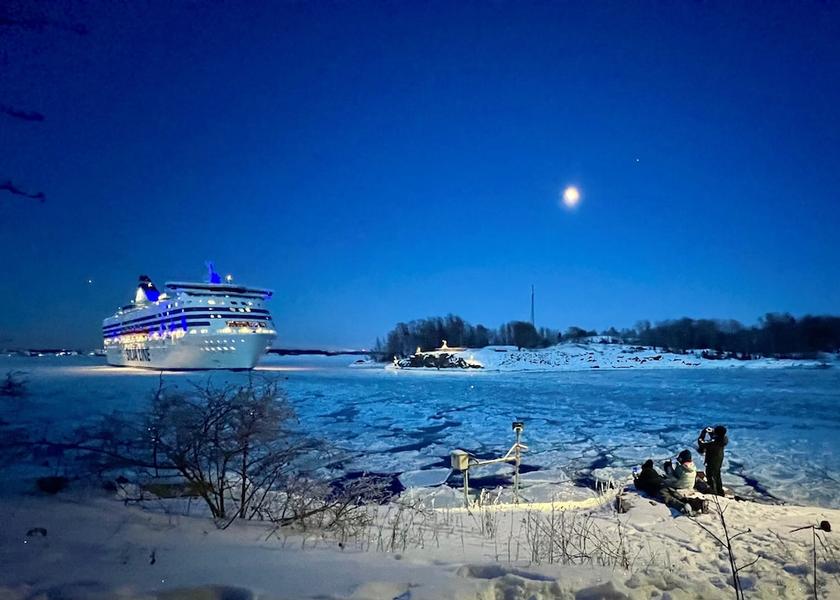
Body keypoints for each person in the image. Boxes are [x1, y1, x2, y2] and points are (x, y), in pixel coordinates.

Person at [634, 457, 707, 516]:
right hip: (665, 485)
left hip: (657, 489)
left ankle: (683, 507)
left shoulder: (644, 473)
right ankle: (698, 502)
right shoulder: (653, 472)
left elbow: (639, 485)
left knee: (670, 500)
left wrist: (635, 479)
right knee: (680, 497)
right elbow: (659, 477)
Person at [698, 425, 728, 496]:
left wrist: (703, 433)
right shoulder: (723, 439)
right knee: (717, 475)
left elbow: (701, 443)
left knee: (710, 475)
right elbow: (715, 438)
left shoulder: (713, 442)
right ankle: (719, 491)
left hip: (712, 460)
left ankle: (713, 491)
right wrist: (711, 433)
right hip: (718, 459)